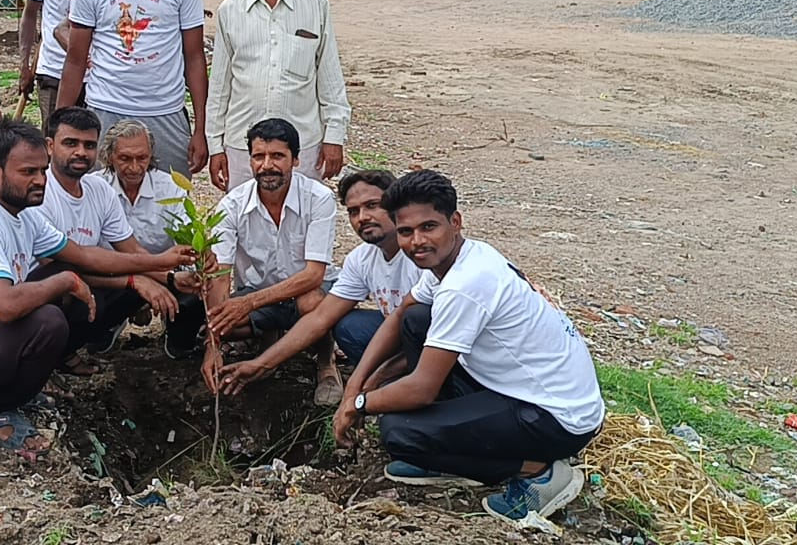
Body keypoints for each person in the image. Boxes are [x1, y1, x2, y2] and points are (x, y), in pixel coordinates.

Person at [332, 170, 604, 523]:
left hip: (558, 419)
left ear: (455, 222)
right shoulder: (460, 258)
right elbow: (401, 314)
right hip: (522, 390)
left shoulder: (466, 283)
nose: (417, 241)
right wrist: (354, 385)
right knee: (417, 319)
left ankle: (538, 472)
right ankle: (451, 445)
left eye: (429, 227)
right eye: (406, 232)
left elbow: (421, 390)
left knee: (399, 433)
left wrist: (358, 405)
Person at [0, 119, 197, 456]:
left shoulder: (23, 212)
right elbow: (5, 305)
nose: (40, 180)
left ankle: (13, 388)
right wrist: (64, 282)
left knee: (65, 270)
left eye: (41, 170)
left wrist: (160, 263)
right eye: (28, 172)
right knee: (48, 320)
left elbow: (84, 255)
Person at [214, 169, 421, 393]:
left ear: (397, 206)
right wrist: (260, 364)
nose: (362, 217)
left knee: (404, 321)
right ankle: (392, 384)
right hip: (408, 338)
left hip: (436, 345)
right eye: (353, 211)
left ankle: (400, 384)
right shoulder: (362, 259)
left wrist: (368, 383)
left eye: (372, 205)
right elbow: (320, 318)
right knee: (350, 327)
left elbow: (436, 337)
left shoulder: (421, 254)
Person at [58, 0, 209, 176]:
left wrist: (201, 129)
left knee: (171, 198)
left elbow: (194, 57)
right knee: (100, 194)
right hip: (105, 109)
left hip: (165, 112)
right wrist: (62, 128)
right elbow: (75, 59)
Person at [200, 118, 342, 406]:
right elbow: (220, 276)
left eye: (277, 156)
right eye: (258, 156)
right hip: (260, 292)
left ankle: (326, 362)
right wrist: (213, 346)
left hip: (306, 292)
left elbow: (313, 275)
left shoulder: (319, 198)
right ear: (250, 161)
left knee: (312, 302)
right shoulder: (232, 205)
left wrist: (249, 303)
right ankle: (270, 336)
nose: (267, 165)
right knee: (221, 322)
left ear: (296, 160)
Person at [207, 0, 350, 192]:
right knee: (244, 215)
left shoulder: (313, 2)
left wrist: (334, 136)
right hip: (243, 149)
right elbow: (220, 86)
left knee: (301, 213)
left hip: (302, 147)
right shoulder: (230, 10)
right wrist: (215, 146)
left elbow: (329, 75)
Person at [35, 107, 184, 369]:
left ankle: (71, 349)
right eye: (70, 143)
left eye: (88, 145)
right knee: (77, 297)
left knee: (138, 285)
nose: (81, 152)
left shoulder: (99, 189)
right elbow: (55, 269)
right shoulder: (40, 194)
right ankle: (49, 358)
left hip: (86, 277)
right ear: (49, 146)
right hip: (41, 287)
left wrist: (171, 278)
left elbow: (131, 249)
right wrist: (134, 280)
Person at [96, 119, 207, 358]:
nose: (134, 167)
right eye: (125, 158)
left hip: (167, 273)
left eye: (142, 158)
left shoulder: (170, 187)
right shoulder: (95, 188)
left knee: (198, 288)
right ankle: (107, 326)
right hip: (115, 278)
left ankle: (179, 337)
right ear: (109, 157)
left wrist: (186, 273)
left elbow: (187, 242)